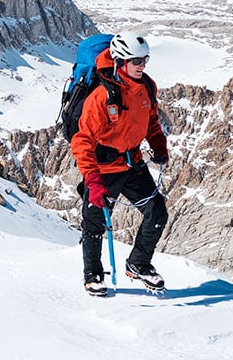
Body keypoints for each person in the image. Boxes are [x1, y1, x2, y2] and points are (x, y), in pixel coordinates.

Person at [71, 31, 169, 295]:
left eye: (145, 59)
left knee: (157, 213)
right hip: (104, 170)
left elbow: (150, 121)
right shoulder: (102, 97)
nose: (142, 65)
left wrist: (158, 143)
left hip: (132, 164)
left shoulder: (147, 87)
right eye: (137, 61)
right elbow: (82, 141)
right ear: (121, 62)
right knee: (94, 224)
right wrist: (92, 180)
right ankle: (92, 275)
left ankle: (138, 263)